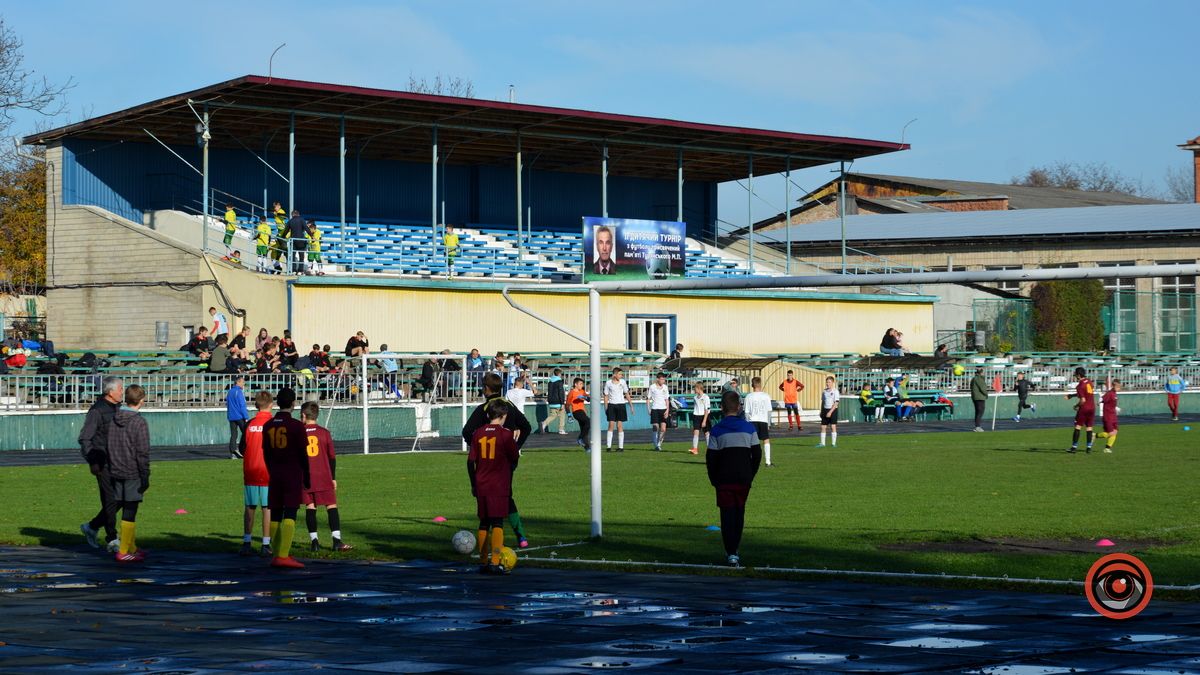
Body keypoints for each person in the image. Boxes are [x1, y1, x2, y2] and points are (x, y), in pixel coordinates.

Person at [462, 372, 533, 547]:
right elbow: (526, 427)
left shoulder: (485, 409)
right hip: (506, 462)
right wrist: (516, 448)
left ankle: (490, 547)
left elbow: (466, 431)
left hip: (487, 462)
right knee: (506, 495)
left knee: (489, 502)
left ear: (486, 388)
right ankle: (520, 535)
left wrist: (477, 446)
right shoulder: (508, 405)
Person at [705, 390, 762, 567]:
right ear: (739, 407)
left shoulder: (716, 430)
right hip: (743, 477)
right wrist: (750, 473)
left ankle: (731, 552)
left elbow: (711, 459)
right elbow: (757, 454)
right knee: (739, 512)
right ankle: (735, 549)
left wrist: (714, 479)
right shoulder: (749, 428)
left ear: (721, 408)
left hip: (723, 479)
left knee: (726, 515)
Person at [467, 399, 521, 574]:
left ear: (488, 415)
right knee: (497, 522)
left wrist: (473, 483)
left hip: (481, 483)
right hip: (498, 483)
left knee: (484, 523)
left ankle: (483, 562)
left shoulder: (477, 433)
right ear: (503, 416)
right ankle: (496, 562)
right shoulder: (505, 434)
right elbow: (514, 457)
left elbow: (470, 462)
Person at [262, 387, 311, 569]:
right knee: (290, 512)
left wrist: (271, 469)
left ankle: (277, 554)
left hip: (274, 473)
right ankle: (283, 555)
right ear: (293, 404)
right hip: (292, 473)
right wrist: (306, 475)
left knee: (275, 513)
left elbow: (265, 452)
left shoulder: (268, 425)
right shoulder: (296, 426)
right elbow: (302, 454)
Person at [78, 376, 124, 553]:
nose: (122, 392)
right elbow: (85, 438)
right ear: (111, 392)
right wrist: (93, 461)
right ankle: (112, 538)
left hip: (120, 460)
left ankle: (92, 526)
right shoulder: (97, 411)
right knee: (110, 499)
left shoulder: (120, 408)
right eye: (120, 389)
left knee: (123, 498)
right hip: (103, 461)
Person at [106, 384, 151, 563]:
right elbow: (142, 452)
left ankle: (130, 547)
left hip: (116, 469)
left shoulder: (114, 418)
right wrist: (145, 475)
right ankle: (124, 550)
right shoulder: (139, 422)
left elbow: (109, 444)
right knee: (130, 510)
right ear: (141, 401)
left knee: (124, 506)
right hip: (132, 471)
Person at [300, 402, 353, 552]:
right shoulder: (324, 432)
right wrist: (333, 478)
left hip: (306, 477)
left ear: (304, 415)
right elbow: (332, 458)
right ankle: (336, 541)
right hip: (323, 475)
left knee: (310, 507)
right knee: (331, 506)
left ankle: (314, 542)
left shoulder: (298, 433)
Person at [240, 391, 274, 557]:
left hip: (251, 469)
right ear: (271, 405)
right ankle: (265, 544)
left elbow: (241, 448)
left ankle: (247, 542)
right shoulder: (273, 423)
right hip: (268, 470)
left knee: (250, 507)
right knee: (267, 507)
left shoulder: (250, 423)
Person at [1065, 367, 1096, 454]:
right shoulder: (1089, 382)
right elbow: (1085, 393)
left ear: (1078, 375)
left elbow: (1083, 400)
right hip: (1092, 408)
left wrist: (1076, 406)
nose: (1075, 376)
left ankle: (1074, 447)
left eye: (1075, 375)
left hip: (1084, 408)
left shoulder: (1079, 386)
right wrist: (1071, 395)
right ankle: (1088, 448)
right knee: (1089, 428)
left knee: (1078, 427)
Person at [744, 377, 773, 467]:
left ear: (752, 385)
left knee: (752, 442)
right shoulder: (766, 396)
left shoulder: (749, 396)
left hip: (752, 421)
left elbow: (746, 412)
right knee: (766, 440)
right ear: (760, 384)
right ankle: (768, 462)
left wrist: (747, 423)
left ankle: (752, 461)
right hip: (763, 421)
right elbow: (769, 411)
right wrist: (768, 423)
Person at [602, 367, 631, 452]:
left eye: (621, 374)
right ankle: (608, 446)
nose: (621, 376)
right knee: (611, 425)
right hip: (612, 405)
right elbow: (606, 396)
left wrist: (631, 405)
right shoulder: (608, 383)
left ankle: (621, 447)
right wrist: (606, 407)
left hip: (621, 405)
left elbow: (626, 393)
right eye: (619, 374)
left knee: (619, 426)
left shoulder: (623, 382)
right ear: (614, 374)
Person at [226, 376, 249, 459]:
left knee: (233, 435)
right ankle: (245, 450)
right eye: (242, 382)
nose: (244, 384)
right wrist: (246, 416)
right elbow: (242, 405)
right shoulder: (239, 392)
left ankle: (233, 453)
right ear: (238, 382)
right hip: (239, 416)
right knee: (246, 434)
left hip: (231, 416)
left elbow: (228, 404)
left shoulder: (230, 391)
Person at [647, 372, 671, 452]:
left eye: (664, 379)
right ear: (658, 379)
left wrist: (667, 410)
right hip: (655, 409)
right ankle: (655, 444)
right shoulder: (652, 387)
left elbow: (667, 399)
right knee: (655, 427)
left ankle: (659, 444)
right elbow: (648, 398)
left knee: (663, 429)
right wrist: (649, 409)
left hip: (663, 409)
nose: (663, 381)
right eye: (662, 379)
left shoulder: (665, 387)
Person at [541, 368, 568, 435]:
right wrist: (562, 403)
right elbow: (561, 392)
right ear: (559, 374)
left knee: (553, 415)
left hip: (551, 402)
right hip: (558, 402)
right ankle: (561, 429)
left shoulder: (550, 382)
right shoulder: (559, 382)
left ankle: (544, 423)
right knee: (562, 415)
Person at [1098, 379, 1122, 454]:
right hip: (1108, 416)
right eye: (1117, 387)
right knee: (1111, 433)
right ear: (1113, 386)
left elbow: (1112, 403)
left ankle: (1107, 448)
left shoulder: (1114, 393)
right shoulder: (1110, 393)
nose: (1119, 388)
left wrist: (1116, 408)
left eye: (1119, 387)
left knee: (1115, 431)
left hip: (1113, 416)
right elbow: (1102, 398)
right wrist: (1099, 402)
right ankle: (1095, 436)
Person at [816, 376, 840, 448]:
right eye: (827, 382)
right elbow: (823, 402)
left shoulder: (835, 391)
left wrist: (830, 412)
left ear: (833, 383)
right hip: (825, 410)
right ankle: (822, 443)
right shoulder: (824, 391)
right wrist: (821, 411)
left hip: (833, 410)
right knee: (823, 427)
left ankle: (833, 444)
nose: (827, 383)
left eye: (829, 382)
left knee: (833, 426)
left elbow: (836, 403)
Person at [568, 377, 590, 450]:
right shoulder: (572, 392)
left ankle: (587, 448)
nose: (582, 385)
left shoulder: (582, 391)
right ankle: (580, 438)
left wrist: (584, 397)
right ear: (575, 384)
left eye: (582, 384)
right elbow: (567, 405)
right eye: (580, 384)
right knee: (588, 421)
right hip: (576, 412)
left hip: (582, 411)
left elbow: (588, 399)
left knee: (584, 428)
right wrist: (569, 415)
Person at [690, 383, 711, 456]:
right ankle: (695, 449)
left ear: (699, 388)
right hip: (696, 416)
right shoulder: (695, 397)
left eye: (695, 388)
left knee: (706, 433)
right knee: (696, 432)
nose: (694, 390)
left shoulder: (706, 397)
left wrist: (704, 420)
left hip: (704, 416)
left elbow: (707, 410)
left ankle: (710, 449)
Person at [286, 210, 307, 274]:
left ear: (292, 215)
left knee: (293, 255)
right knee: (301, 256)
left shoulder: (290, 221)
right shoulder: (302, 220)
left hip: (293, 240)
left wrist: (283, 236)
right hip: (301, 240)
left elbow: (286, 230)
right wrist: (311, 236)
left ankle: (294, 270)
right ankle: (300, 270)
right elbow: (306, 228)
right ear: (298, 214)